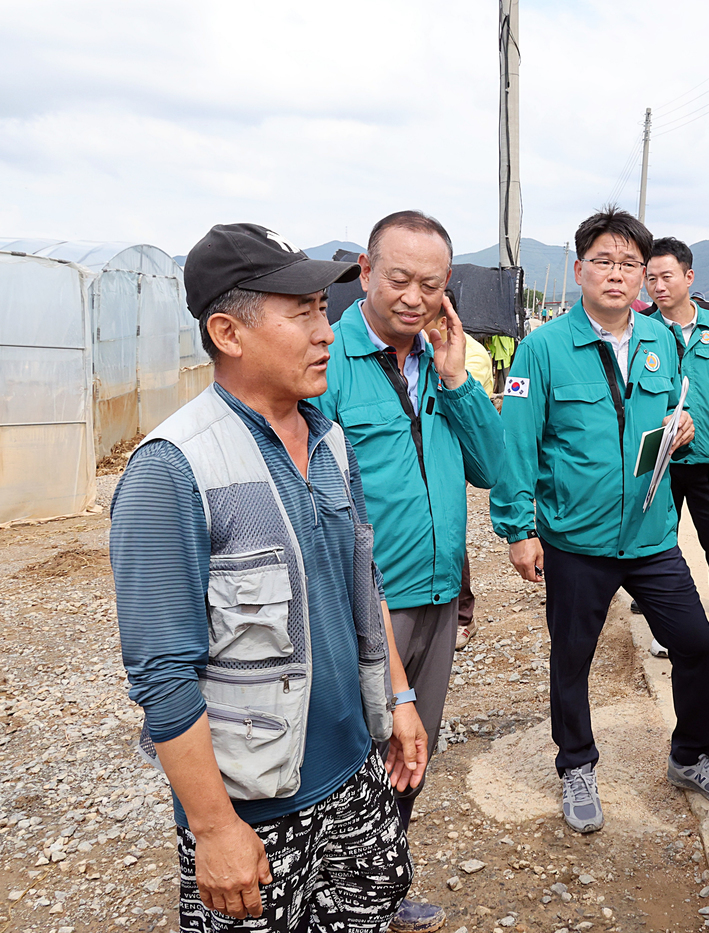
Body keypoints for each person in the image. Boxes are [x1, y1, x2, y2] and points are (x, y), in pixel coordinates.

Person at [112, 223, 422, 932]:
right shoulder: (173, 469)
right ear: (228, 331)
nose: (327, 332)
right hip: (255, 804)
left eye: (324, 308)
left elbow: (362, 584)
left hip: (353, 771)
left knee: (371, 903)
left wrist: (398, 696)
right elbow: (162, 673)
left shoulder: (327, 437)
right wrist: (215, 828)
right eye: (303, 312)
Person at [491, 207, 709, 834]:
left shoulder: (661, 339)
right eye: (603, 262)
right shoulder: (543, 348)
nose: (617, 274)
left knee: (693, 643)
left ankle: (692, 756)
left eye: (629, 264)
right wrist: (518, 529)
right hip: (575, 538)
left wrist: (683, 431)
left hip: (650, 534)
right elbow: (516, 444)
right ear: (579, 270)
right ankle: (576, 764)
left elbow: (675, 415)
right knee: (572, 658)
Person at [308, 211, 505, 933]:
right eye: (400, 278)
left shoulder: (444, 360)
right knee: (350, 759)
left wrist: (456, 381)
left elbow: (494, 467)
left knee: (410, 751)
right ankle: (335, 903)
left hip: (438, 594)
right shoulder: (329, 361)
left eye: (432, 283)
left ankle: (381, 893)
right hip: (364, 605)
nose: (415, 296)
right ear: (364, 271)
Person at [642, 236, 709, 656]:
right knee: (658, 543)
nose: (658, 286)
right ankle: (664, 626)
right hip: (660, 459)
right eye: (651, 279)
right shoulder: (641, 330)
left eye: (666, 276)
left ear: (689, 277)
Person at [436, 287, 498, 652]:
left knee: (449, 535)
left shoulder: (471, 354)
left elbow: (462, 404)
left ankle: (461, 616)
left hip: (453, 457)